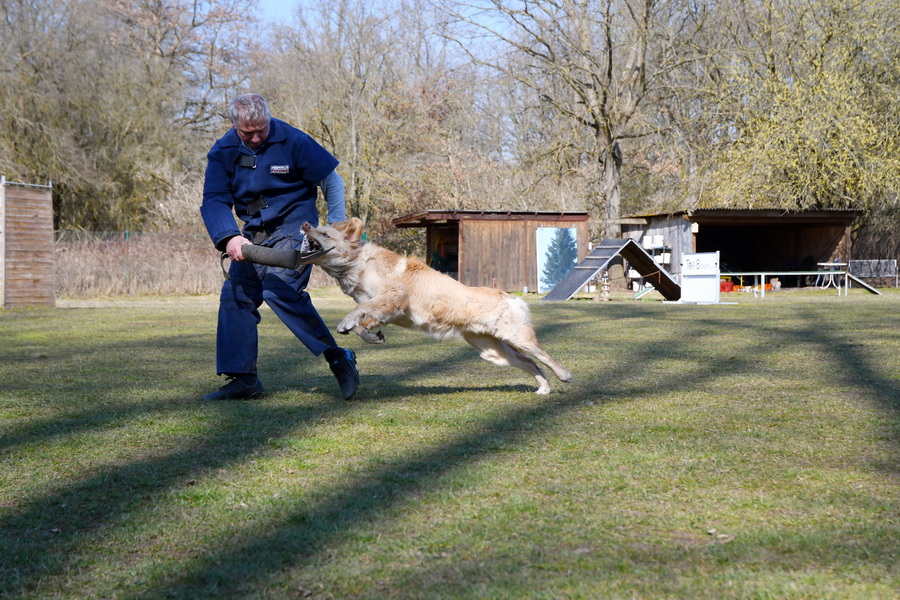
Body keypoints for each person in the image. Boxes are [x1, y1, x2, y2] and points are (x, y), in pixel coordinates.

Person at [200, 93, 359, 401]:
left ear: (268, 119)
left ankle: (338, 357)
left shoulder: (293, 141)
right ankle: (244, 379)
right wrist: (229, 237)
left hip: (295, 227)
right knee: (236, 295)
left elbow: (332, 181)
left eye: (262, 128)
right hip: (253, 235)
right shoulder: (223, 152)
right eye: (249, 132)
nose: (257, 136)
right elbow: (215, 199)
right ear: (234, 125)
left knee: (279, 289)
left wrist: (336, 227)